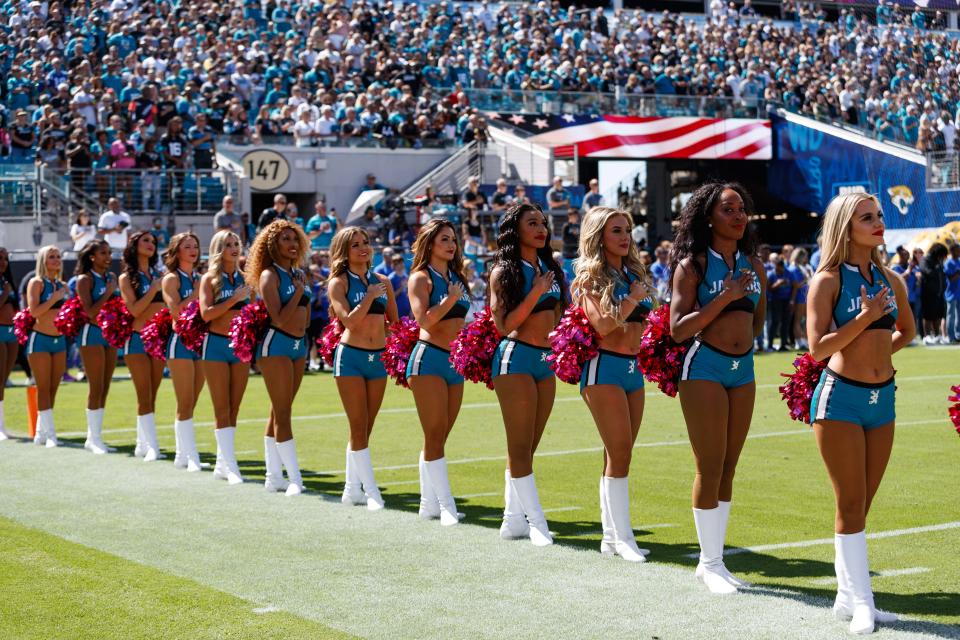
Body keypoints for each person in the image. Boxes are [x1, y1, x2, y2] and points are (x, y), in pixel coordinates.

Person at [806, 193, 915, 634]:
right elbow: (817, 349)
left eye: (879, 216)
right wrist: (863, 321)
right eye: (866, 217)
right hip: (841, 401)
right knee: (850, 503)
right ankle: (864, 602)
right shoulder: (828, 280)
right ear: (845, 226)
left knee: (861, 505)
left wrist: (878, 353)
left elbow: (907, 330)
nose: (878, 222)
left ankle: (846, 596)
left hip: (882, 399)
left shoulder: (891, 279)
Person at [669, 182, 766, 594]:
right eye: (728, 209)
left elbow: (757, 321)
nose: (739, 215)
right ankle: (709, 564)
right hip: (703, 365)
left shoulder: (754, 265)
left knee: (730, 465)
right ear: (709, 217)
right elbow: (677, 330)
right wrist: (724, 299)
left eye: (742, 208)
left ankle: (717, 559)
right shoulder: (692, 266)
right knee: (709, 464)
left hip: (742, 370)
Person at [570, 206, 656, 562]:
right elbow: (603, 326)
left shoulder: (633, 271)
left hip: (632, 368)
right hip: (602, 367)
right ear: (599, 237)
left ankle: (610, 536)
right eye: (616, 231)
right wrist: (634, 298)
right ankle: (623, 538)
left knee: (619, 452)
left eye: (627, 230)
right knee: (619, 450)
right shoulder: (590, 277)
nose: (625, 237)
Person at [489, 203, 566, 546]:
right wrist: (535, 291)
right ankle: (536, 523)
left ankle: (511, 518)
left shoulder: (551, 268)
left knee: (528, 446)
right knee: (519, 445)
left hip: (545, 361)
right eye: (531, 223)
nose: (540, 229)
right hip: (515, 358)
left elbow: (561, 316)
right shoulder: (504, 272)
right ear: (515, 231)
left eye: (543, 223)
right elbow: (503, 325)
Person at [327, 227, 399, 510]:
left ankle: (350, 488)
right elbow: (350, 323)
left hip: (378, 359)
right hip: (351, 358)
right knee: (357, 426)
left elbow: (393, 321)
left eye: (366, 243)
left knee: (366, 428)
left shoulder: (383, 281)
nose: (363, 248)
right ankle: (371, 492)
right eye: (356, 244)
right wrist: (368, 297)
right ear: (345, 251)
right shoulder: (339, 283)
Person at [406, 218, 472, 526]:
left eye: (453, 239)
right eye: (444, 239)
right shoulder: (420, 278)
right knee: (434, 433)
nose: (451, 244)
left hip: (453, 363)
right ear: (430, 243)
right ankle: (446, 505)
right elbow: (425, 321)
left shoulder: (457, 276)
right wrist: (451, 299)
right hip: (429, 360)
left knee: (440, 436)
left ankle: (427, 502)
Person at [245, 219, 312, 496]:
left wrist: (301, 291)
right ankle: (294, 478)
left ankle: (273, 476)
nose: (292, 244)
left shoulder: (298, 274)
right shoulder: (268, 276)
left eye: (294, 239)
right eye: (285, 239)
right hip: (276, 345)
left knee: (279, 410)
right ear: (273, 245)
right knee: (283, 412)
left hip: (299, 345)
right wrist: (298, 293)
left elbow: (304, 320)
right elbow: (280, 319)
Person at [199, 230, 251, 487]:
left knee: (234, 407)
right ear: (219, 249)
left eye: (236, 244)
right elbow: (206, 314)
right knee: (221, 407)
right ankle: (231, 465)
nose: (233, 248)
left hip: (239, 347)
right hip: (216, 346)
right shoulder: (209, 279)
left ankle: (223, 462)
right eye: (228, 244)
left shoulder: (245, 278)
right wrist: (234, 299)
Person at [119, 231, 166, 462]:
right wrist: (154, 289)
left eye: (154, 242)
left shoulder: (158, 273)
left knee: (152, 394)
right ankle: (152, 446)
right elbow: (135, 310)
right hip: (136, 339)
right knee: (143, 393)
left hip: (157, 339)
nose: (151, 245)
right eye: (146, 240)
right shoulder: (126, 277)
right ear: (134, 245)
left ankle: (142, 443)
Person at [161, 233, 205, 472]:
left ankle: (182, 453)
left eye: (195, 246)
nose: (193, 250)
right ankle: (191, 456)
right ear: (176, 251)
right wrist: (196, 292)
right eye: (187, 246)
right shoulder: (170, 279)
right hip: (180, 342)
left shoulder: (199, 278)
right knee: (184, 400)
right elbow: (176, 311)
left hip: (201, 343)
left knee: (193, 400)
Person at [74, 240, 119, 454]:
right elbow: (90, 312)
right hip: (91, 334)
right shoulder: (85, 279)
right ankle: (92, 439)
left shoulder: (109, 277)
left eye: (109, 252)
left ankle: (97, 436)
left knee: (106, 386)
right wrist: (109, 292)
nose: (107, 256)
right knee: (96, 386)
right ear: (92, 257)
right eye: (103, 253)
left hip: (108, 335)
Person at [26, 246, 69, 448]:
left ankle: (41, 432)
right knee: (43, 387)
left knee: (53, 388)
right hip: (40, 340)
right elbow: (34, 312)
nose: (56, 260)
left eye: (58, 257)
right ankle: (50, 434)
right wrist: (54, 298)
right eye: (51, 257)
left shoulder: (61, 284)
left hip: (59, 341)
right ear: (43, 260)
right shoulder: (36, 283)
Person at [0, 248, 19, 440]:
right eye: (0, 258)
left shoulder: (8, 282)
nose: (4, 262)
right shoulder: (5, 287)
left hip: (11, 333)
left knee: (4, 380)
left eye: (6, 259)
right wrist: (5, 293)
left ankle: (2, 424)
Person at [919, 243, 948, 345]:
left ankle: (937, 336)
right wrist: (936, 267)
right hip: (928, 293)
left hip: (939, 293)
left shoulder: (938, 262)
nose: (943, 258)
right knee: (928, 316)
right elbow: (927, 272)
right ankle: (926, 336)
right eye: (943, 255)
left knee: (938, 316)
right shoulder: (925, 260)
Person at [788, 247, 813, 350]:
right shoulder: (795, 268)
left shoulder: (799, 267)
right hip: (800, 295)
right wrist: (806, 278)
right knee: (800, 320)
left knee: (802, 320)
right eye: (804, 257)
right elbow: (796, 284)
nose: (805, 259)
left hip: (803, 294)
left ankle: (803, 341)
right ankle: (800, 341)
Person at [945, 243, 960, 343]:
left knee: (959, 315)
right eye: (958, 250)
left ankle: (957, 335)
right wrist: (958, 273)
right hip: (951, 293)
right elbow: (950, 278)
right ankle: (950, 337)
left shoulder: (958, 261)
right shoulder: (948, 263)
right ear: (953, 251)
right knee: (951, 315)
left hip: (959, 293)